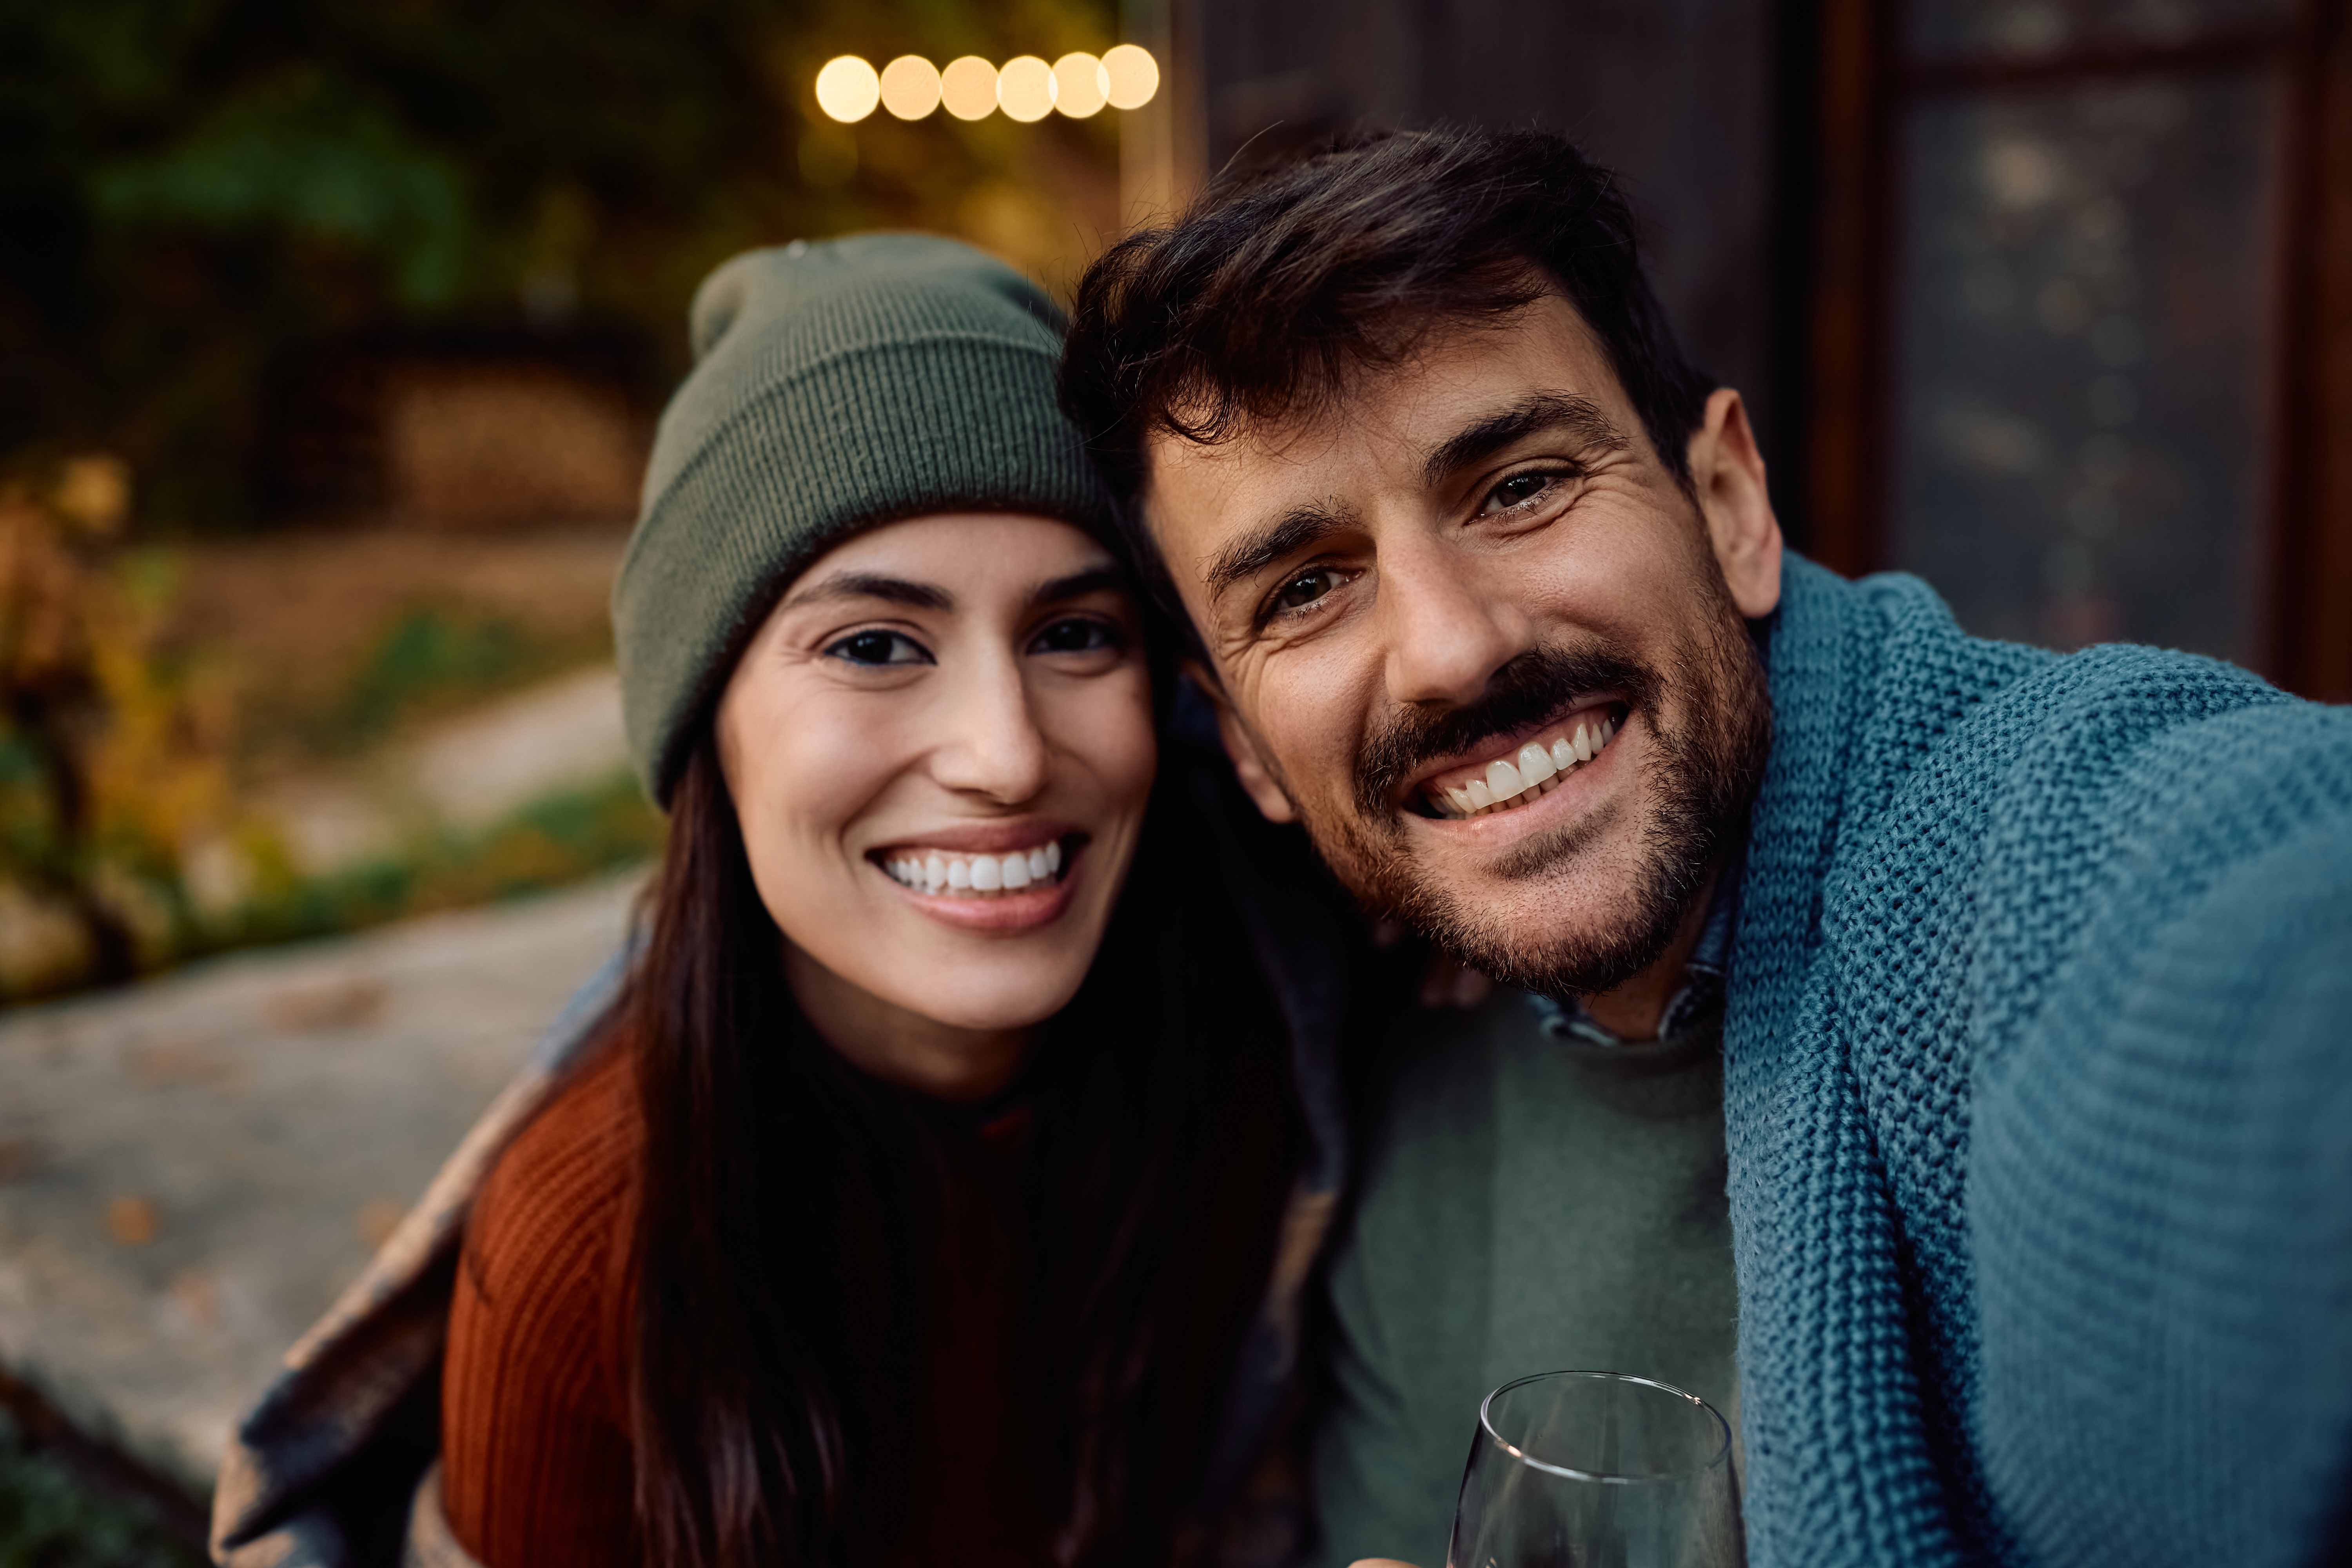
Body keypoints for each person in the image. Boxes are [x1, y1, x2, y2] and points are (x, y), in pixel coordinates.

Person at [1057, 127, 2352, 1568]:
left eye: (1518, 486)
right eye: (1305, 588)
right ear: (1243, 747)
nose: (1449, 649)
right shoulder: (1394, 1122)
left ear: (1729, 505)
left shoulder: (2031, 841)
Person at [210, 235, 1370, 1568]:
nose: (1003, 754)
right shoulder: (592, 1252)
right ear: (711, 726)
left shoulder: (1271, 1013)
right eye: (876, 645)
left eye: (1073, 633)